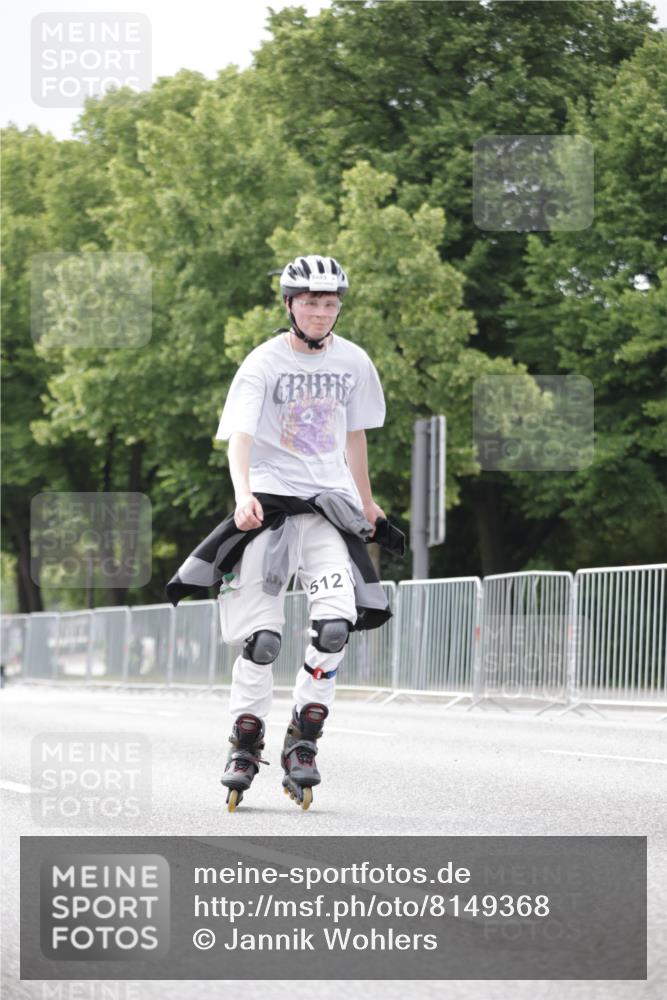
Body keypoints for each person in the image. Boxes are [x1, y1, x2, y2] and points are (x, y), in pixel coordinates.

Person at [170, 254, 401, 811]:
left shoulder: (353, 361)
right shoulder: (262, 364)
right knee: (263, 640)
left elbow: (356, 437)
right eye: (311, 302)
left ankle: (303, 737)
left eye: (330, 302)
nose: (322, 312)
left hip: (328, 509)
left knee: (332, 630)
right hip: (270, 507)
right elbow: (240, 438)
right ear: (290, 305)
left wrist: (366, 502)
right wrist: (243, 492)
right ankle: (246, 742)